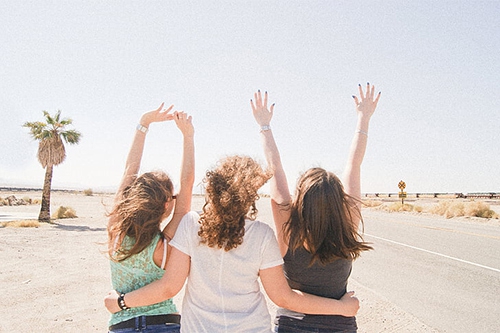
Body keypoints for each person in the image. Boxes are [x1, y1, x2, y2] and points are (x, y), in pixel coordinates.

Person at [105, 155, 360, 332]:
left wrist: (122, 302)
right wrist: (340, 307)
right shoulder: (261, 235)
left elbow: (170, 285)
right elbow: (283, 296)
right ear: (249, 195)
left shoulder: (191, 225)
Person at [251, 84, 380, 332]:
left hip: (292, 324)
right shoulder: (348, 223)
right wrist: (363, 119)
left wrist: (264, 125)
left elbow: (274, 168)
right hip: (340, 326)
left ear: (301, 198)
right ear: (339, 200)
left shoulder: (289, 227)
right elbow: (354, 164)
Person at [106, 103, 194, 333]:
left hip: (122, 324)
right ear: (167, 205)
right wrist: (188, 136)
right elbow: (187, 185)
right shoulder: (163, 244)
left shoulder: (116, 229)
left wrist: (143, 123)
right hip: (163, 323)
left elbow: (129, 171)